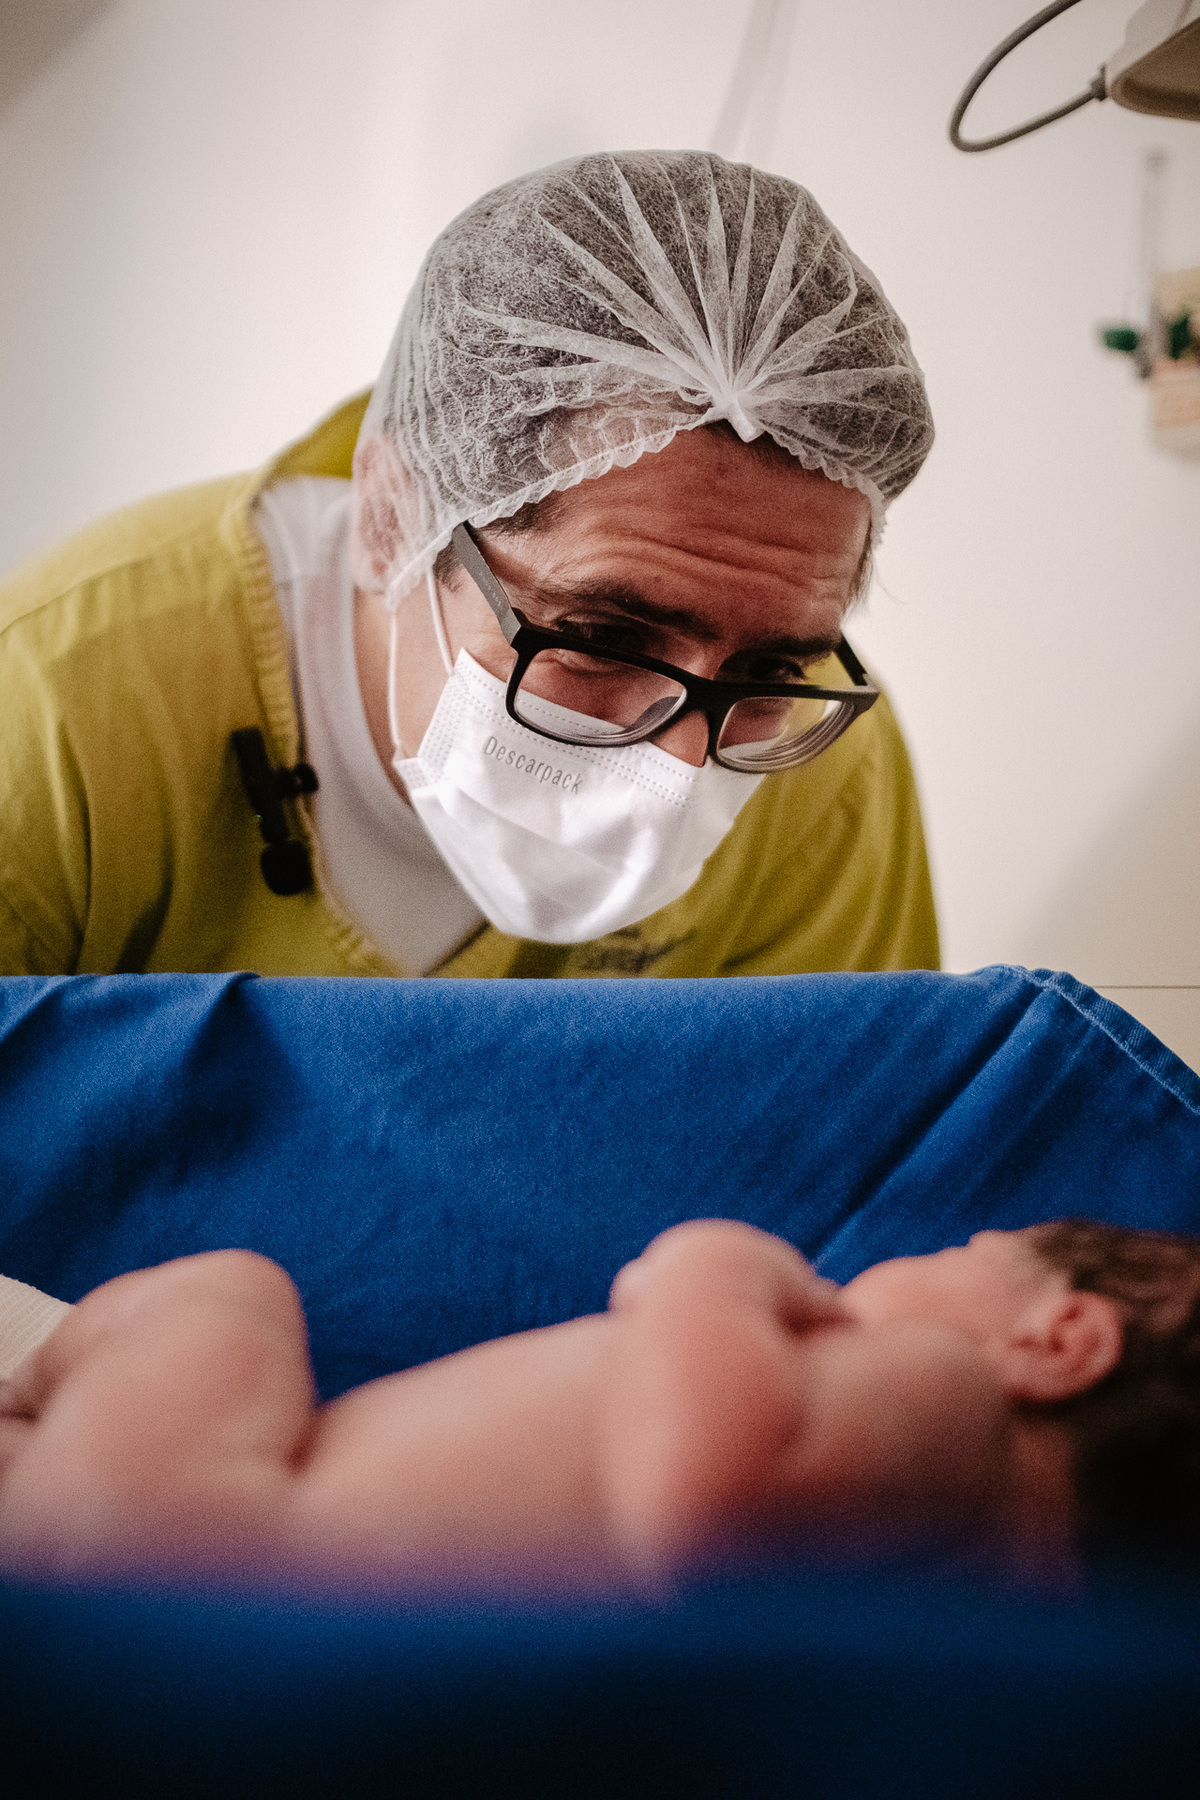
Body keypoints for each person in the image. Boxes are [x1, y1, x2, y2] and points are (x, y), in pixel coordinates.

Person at [0, 151, 938, 979]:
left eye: (771, 669)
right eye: (603, 640)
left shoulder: (819, 768)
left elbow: (835, 1166)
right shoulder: (56, 711)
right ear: (390, 518)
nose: (682, 762)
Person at [2, 1218, 1198, 1591]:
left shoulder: (950, 1394)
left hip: (190, 1549)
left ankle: (39, 1378)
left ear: (1057, 1340)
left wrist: (709, 1266)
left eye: (970, 1244)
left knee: (222, 1291)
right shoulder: (1001, 1602)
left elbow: (704, 1497)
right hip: (225, 1583)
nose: (909, 1258)